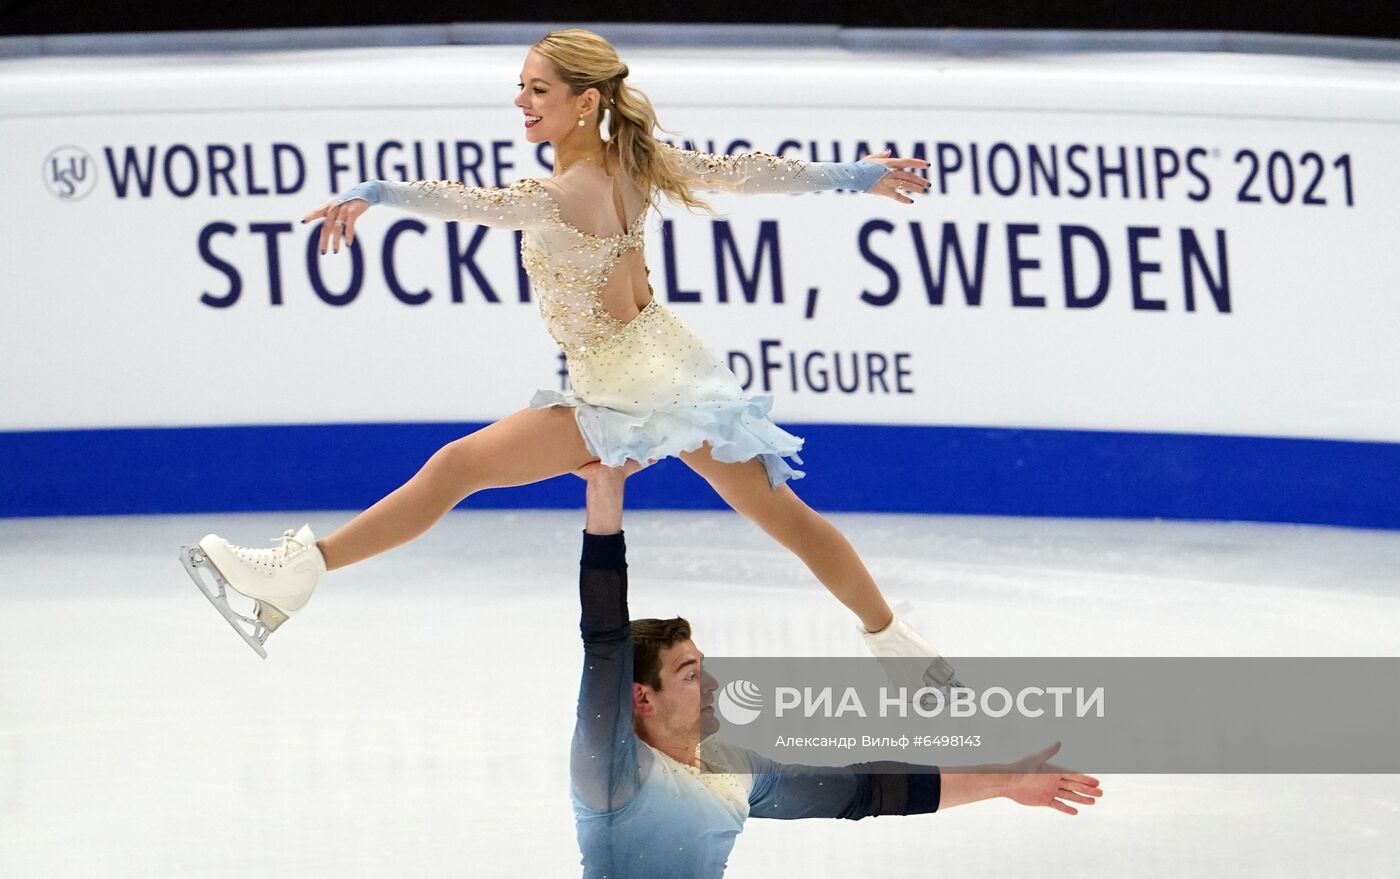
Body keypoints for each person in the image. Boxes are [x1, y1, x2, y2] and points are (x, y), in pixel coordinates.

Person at [179, 28, 954, 682]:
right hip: (670, 369)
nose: (521, 102)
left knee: (456, 467)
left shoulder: (558, 195)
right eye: (520, 87)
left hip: (625, 388)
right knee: (787, 517)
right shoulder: (638, 164)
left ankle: (297, 574)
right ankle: (901, 648)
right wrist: (853, 177)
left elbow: (467, 203)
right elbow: (742, 172)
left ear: (586, 100)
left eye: (537, 90)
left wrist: (379, 192)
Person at [571, 460, 1102, 878]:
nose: (712, 684)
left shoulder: (731, 770)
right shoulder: (612, 767)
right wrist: (606, 490)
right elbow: (605, 641)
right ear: (642, 697)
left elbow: (866, 789)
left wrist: (1004, 780)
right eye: (689, 674)